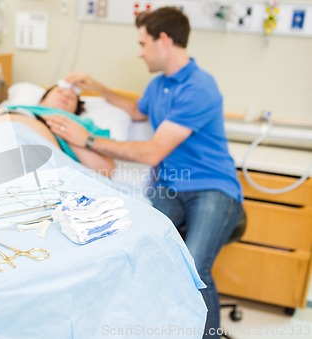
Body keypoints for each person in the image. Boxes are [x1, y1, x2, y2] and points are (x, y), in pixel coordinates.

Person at [42, 7, 243, 339]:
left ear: (163, 41)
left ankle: (208, 336)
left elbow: (152, 151)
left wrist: (89, 139)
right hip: (169, 188)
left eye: (143, 43)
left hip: (212, 188)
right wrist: (97, 87)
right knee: (134, 247)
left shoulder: (200, 87)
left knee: (193, 266)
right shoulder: (159, 85)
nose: (139, 52)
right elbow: (137, 111)